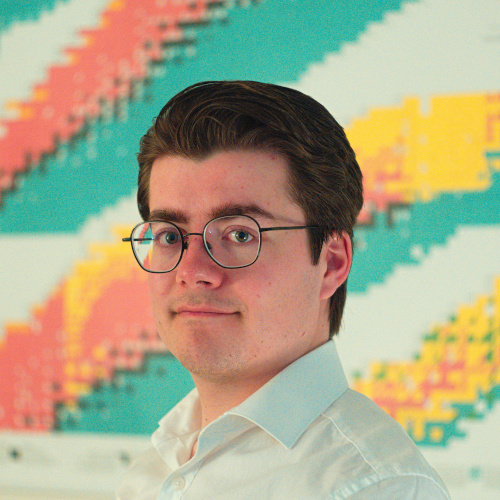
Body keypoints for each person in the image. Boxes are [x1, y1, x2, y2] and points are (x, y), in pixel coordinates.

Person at [117, 81, 450, 499]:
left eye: (240, 234)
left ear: (331, 263)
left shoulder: (376, 487)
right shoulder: (152, 471)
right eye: (169, 236)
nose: (193, 270)